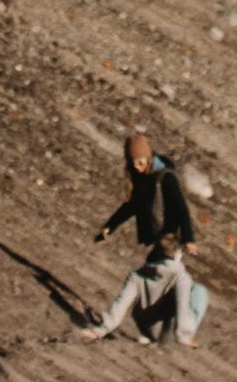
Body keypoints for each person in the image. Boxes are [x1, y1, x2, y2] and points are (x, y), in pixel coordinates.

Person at [85, 127, 207, 344]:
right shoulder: (142, 179)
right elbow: (131, 206)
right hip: (159, 245)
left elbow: (182, 209)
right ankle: (174, 333)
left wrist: (188, 238)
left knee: (186, 286)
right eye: (133, 163)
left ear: (149, 156)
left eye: (140, 162)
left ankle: (183, 334)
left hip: (170, 241)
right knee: (170, 284)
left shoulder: (166, 178)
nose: (137, 167)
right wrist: (109, 227)